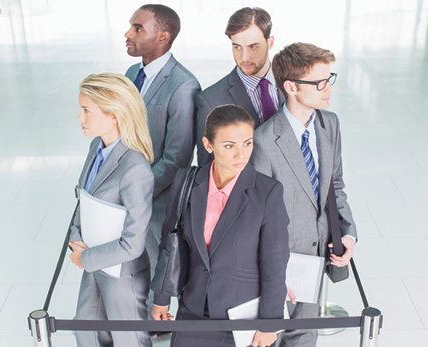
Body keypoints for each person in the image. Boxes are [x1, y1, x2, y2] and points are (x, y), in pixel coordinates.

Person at [152, 105, 290, 347]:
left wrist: (270, 322)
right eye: (229, 146)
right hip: (192, 309)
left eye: (247, 143)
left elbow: (275, 265)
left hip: (241, 317)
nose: (241, 154)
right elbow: (169, 242)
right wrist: (161, 298)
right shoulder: (186, 182)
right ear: (208, 145)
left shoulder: (267, 193)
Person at [251, 43, 358, 347]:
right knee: (270, 338)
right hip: (279, 266)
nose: (328, 89)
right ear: (291, 87)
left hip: (316, 259)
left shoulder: (330, 124)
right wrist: (272, 274)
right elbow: (256, 218)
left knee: (304, 338)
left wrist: (348, 235)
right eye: (319, 83)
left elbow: (335, 186)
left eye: (329, 79)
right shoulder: (264, 142)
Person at [68, 73, 155, 347]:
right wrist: (75, 236)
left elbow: (133, 245)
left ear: (114, 114)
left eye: (86, 111)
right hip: (93, 259)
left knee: (129, 341)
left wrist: (87, 258)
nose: (80, 118)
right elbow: (84, 197)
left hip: (122, 274)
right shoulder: (97, 146)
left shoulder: (135, 169)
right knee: (86, 330)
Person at [123, 4, 201, 300]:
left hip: (156, 199)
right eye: (131, 26)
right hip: (129, 190)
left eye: (138, 28)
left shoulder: (184, 85)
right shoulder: (132, 72)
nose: (128, 33)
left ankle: (159, 323)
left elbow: (176, 158)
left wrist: (136, 190)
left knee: (158, 265)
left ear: (163, 37)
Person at [195, 7, 285, 167]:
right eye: (237, 47)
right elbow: (207, 169)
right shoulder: (210, 100)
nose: (244, 57)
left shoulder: (293, 84)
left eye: (253, 47)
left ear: (270, 42)